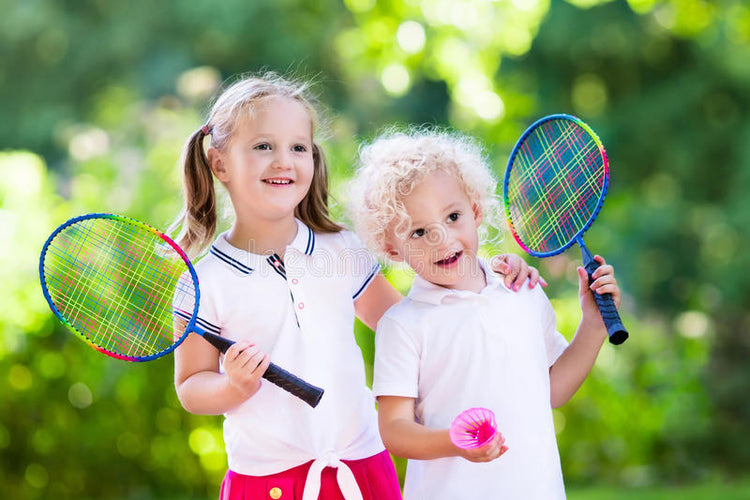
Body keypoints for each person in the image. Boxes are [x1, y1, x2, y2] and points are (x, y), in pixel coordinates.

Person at [168, 73, 540, 500]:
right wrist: (233, 386)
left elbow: (414, 320)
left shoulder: (340, 249)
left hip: (363, 469)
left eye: (298, 147)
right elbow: (191, 386)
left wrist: (490, 277)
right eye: (263, 146)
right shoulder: (204, 281)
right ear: (219, 164)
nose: (283, 161)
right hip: (266, 481)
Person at [347, 128, 622, 499]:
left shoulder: (521, 292)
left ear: (475, 210)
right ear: (391, 249)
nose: (441, 239)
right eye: (418, 232)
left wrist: (593, 324)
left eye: (453, 216)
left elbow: (553, 390)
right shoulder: (403, 325)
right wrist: (455, 442)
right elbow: (395, 429)